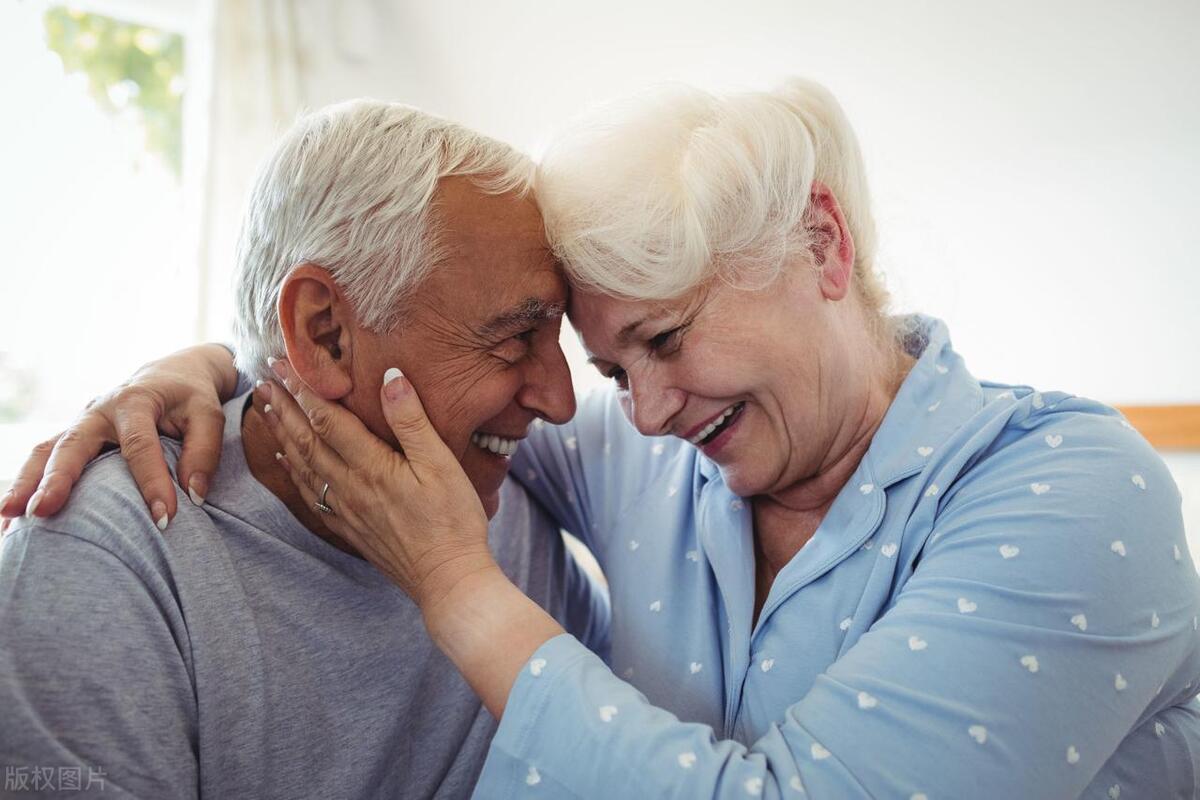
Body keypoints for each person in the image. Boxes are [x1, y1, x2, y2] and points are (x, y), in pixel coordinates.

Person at [7, 79, 1199, 798]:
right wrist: (200, 366)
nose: (628, 407)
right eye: (606, 360)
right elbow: (362, 368)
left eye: (669, 337)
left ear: (823, 247)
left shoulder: (1072, 488)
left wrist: (459, 591)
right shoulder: (636, 441)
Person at [0, 100, 608, 799]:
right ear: (324, 334)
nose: (559, 401)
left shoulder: (513, 512)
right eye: (513, 339)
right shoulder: (107, 561)